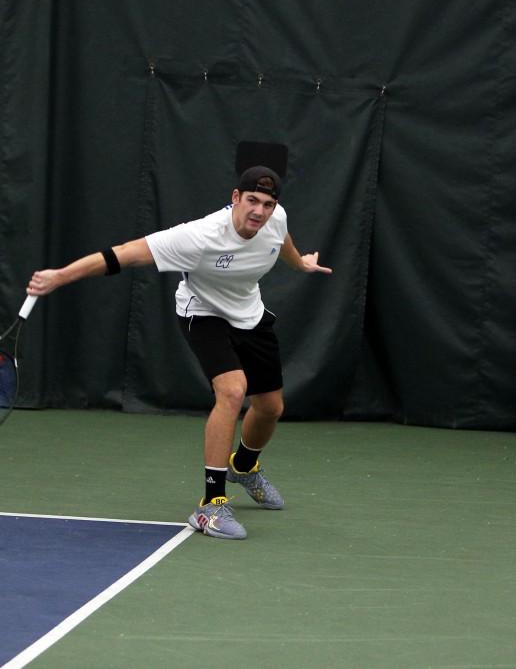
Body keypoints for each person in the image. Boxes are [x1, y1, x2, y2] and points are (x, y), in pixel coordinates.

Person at [26, 163, 332, 539]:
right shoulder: (198, 237)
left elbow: (279, 238)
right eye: (252, 200)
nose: (260, 211)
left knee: (270, 408)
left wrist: (299, 262)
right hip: (202, 313)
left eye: (267, 204)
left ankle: (245, 466)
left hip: (249, 313)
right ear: (235, 198)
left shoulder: (274, 218)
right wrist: (60, 276)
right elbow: (121, 254)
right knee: (233, 391)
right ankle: (211, 506)